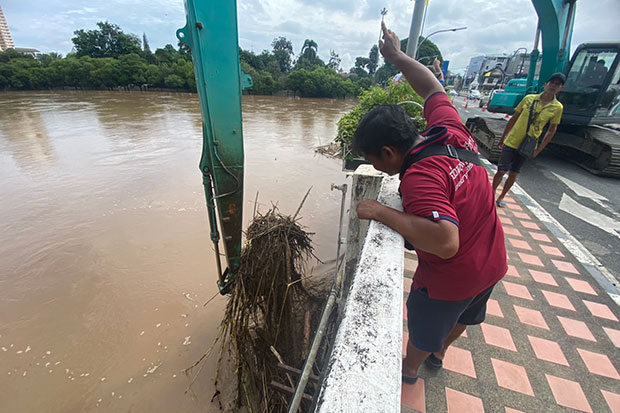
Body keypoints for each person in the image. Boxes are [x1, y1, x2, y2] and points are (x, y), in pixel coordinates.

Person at [353, 22, 507, 384]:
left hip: (452, 279)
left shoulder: (420, 178)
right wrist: (397, 56)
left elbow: (444, 241)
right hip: (493, 260)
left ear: (388, 152)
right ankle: (440, 352)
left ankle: (410, 369)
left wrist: (379, 211)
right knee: (465, 317)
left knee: (425, 325)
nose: (377, 166)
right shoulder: (449, 129)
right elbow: (431, 87)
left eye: (374, 159)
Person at [492, 73, 565, 207]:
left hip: (528, 144)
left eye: (557, 84)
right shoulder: (528, 99)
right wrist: (503, 137)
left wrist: (539, 149)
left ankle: (501, 196)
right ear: (545, 85)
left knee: (514, 173)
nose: (553, 86)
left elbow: (551, 130)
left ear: (561, 88)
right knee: (501, 170)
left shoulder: (557, 107)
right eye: (552, 82)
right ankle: (491, 193)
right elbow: (514, 118)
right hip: (513, 140)